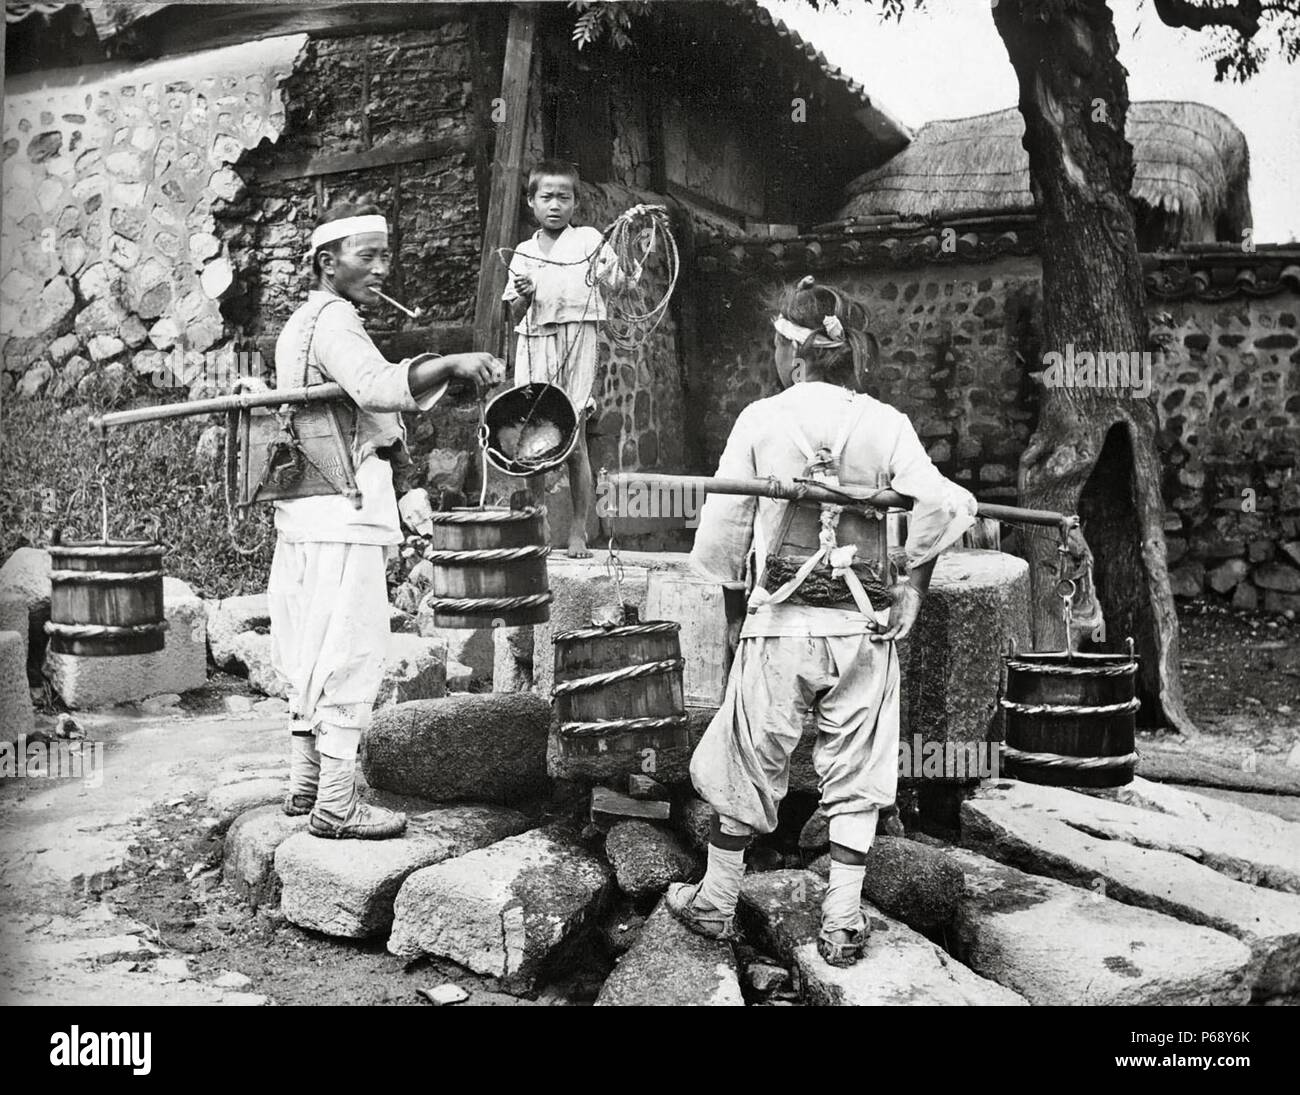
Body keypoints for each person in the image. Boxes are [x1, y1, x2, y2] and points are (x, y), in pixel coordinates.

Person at [665, 275, 977, 965]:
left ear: (791, 352)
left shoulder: (762, 419)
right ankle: (841, 919)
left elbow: (719, 542)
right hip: (863, 632)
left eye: (776, 344)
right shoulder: (885, 424)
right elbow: (946, 504)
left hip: (780, 627)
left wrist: (737, 630)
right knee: (860, 767)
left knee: (749, 756)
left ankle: (716, 902)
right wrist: (913, 592)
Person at [270, 202, 504, 840]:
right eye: (366, 256)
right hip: (341, 510)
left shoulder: (303, 323)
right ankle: (336, 808)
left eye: (385, 255)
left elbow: (366, 402)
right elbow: (376, 386)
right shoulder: (337, 319)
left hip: (306, 508)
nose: (381, 268)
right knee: (350, 646)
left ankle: (305, 784)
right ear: (327, 263)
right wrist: (453, 361)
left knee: (309, 645)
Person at [502, 160, 638, 558]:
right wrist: (526, 293)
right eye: (547, 197)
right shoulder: (524, 252)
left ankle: (579, 529)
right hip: (535, 344)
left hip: (577, 342)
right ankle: (539, 523)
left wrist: (631, 245)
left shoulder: (589, 241)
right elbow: (514, 312)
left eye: (564, 197)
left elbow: (623, 284)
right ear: (532, 202)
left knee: (574, 437)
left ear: (575, 202)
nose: (555, 205)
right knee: (533, 440)